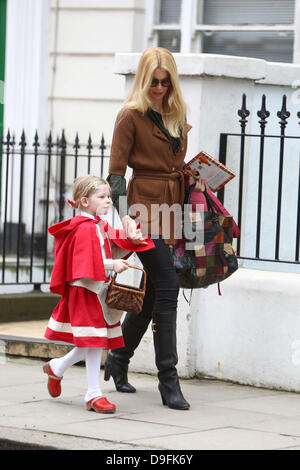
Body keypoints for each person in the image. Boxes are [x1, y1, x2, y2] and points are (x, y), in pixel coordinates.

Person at [105, 47, 208, 410]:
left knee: (151, 296)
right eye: (154, 82)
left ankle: (118, 358)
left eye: (166, 82)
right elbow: (116, 174)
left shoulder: (177, 114)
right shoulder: (129, 116)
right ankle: (169, 379)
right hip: (143, 208)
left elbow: (176, 165)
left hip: (172, 207)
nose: (160, 88)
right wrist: (125, 217)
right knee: (166, 286)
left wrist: (198, 179)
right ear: (144, 80)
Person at [43, 175, 154, 413]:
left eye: (109, 197)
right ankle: (92, 394)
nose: (107, 201)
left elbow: (114, 240)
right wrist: (112, 264)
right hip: (84, 291)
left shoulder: (98, 225)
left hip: (95, 291)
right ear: (84, 201)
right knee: (94, 340)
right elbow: (83, 262)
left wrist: (132, 236)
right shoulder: (84, 229)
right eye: (101, 197)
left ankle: (58, 368)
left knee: (94, 339)